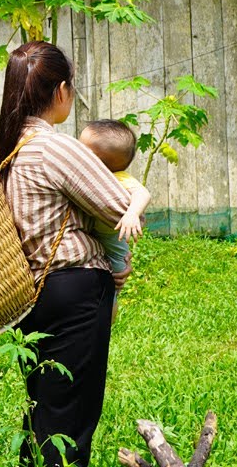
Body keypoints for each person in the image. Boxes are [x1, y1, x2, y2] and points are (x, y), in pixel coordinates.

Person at [0, 41, 136, 467]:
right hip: (76, 292)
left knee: (46, 408)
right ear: (62, 90)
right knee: (71, 417)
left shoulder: (8, 148)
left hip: (31, 295)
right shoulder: (56, 146)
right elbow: (119, 207)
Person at [77, 119, 151, 321]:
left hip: (113, 248)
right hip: (99, 239)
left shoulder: (119, 178)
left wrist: (132, 214)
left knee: (113, 288)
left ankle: (106, 321)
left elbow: (143, 193)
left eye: (80, 148)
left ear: (95, 160)